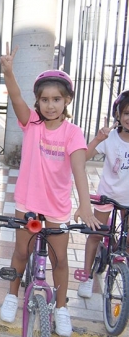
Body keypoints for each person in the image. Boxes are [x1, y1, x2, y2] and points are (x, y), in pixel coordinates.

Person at [0, 44, 98, 337]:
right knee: (21, 251)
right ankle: (12, 295)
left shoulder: (72, 132)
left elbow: (79, 168)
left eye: (56, 99)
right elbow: (15, 98)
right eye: (44, 99)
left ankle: (62, 307)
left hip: (56, 209)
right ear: (38, 102)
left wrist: (85, 204)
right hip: (30, 205)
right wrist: (8, 72)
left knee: (60, 260)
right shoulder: (32, 123)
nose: (50, 105)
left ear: (66, 101)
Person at [77, 89, 129, 299]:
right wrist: (98, 139)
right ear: (118, 115)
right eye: (126, 113)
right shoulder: (111, 139)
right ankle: (87, 276)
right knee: (95, 234)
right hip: (107, 196)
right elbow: (84, 157)